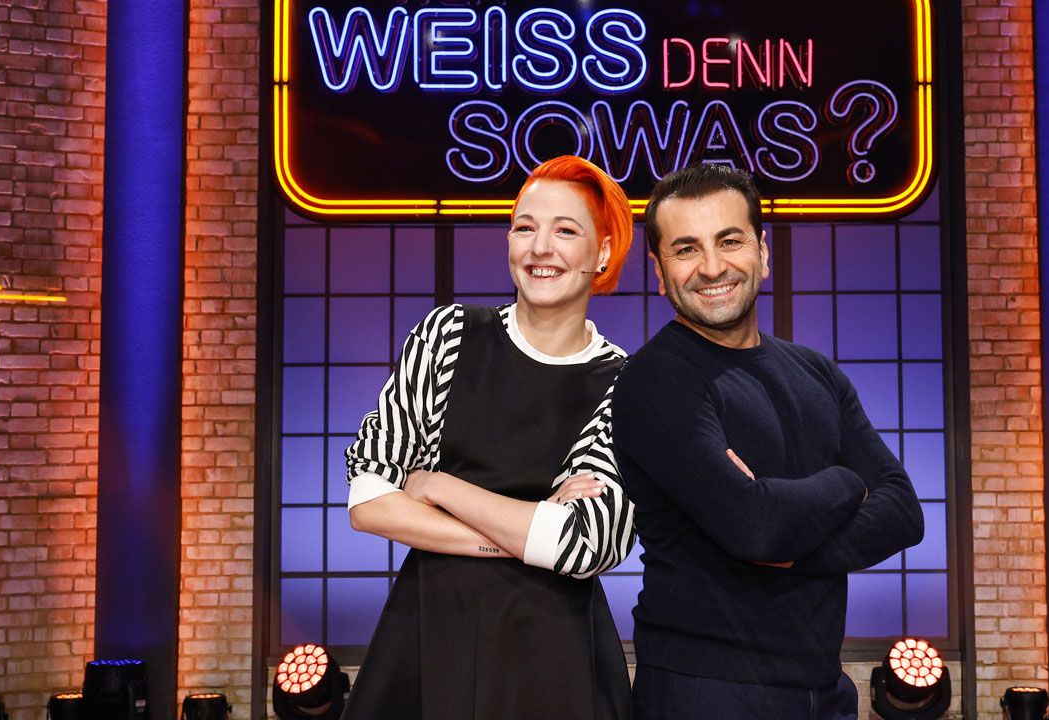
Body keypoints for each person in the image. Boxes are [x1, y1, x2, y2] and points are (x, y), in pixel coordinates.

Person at [610, 163, 925, 720]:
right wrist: (848, 482)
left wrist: (788, 544)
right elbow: (757, 528)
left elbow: (903, 511)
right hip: (706, 690)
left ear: (762, 252)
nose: (712, 267)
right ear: (659, 272)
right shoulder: (654, 380)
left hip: (825, 686)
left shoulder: (816, 372)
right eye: (686, 249)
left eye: (729, 241)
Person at [342, 155, 636, 720]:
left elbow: (583, 545)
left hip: (555, 650)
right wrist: (528, 532)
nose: (539, 248)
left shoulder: (624, 383)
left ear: (602, 252)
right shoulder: (447, 336)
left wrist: (438, 486)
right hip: (430, 632)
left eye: (565, 231)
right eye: (525, 227)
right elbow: (369, 500)